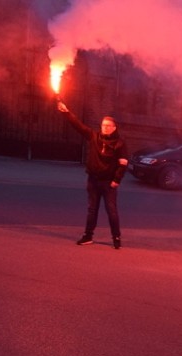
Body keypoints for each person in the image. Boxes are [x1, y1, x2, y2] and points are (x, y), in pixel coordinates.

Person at [57, 101, 128, 249]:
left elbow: (123, 163)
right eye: (103, 125)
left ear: (114, 128)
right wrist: (66, 112)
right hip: (93, 181)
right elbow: (78, 126)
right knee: (92, 210)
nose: (105, 128)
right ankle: (88, 236)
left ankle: (116, 237)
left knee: (111, 211)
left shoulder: (120, 144)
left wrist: (117, 180)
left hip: (109, 183)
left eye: (108, 126)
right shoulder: (94, 137)